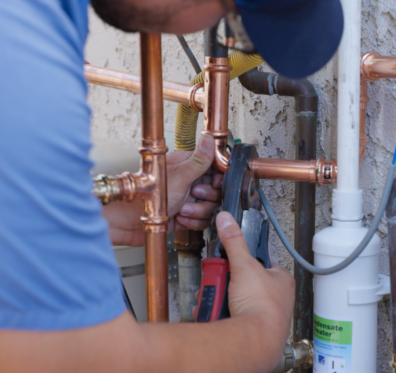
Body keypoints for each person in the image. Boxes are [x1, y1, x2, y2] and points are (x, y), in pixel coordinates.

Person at [0, 0, 343, 372]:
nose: (215, 23)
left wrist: (106, 218)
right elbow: (81, 357)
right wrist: (263, 329)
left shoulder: (46, 20)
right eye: (228, 10)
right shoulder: (22, 41)